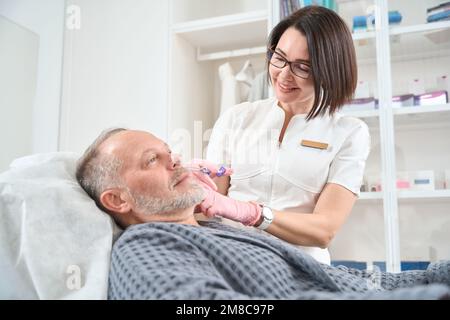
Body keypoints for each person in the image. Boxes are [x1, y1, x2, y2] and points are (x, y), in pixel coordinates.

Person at [76, 128, 450, 300]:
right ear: (117, 200)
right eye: (152, 160)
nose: (174, 159)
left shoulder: (213, 229)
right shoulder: (145, 247)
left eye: (168, 149)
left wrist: (434, 277)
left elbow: (339, 278)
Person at [205, 6, 370, 265]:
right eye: (279, 57)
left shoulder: (349, 134)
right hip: (231, 263)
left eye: (302, 67)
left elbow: (324, 229)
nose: (283, 74)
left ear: (329, 71)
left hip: (300, 271)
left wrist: (254, 214)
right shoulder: (236, 119)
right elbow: (209, 204)